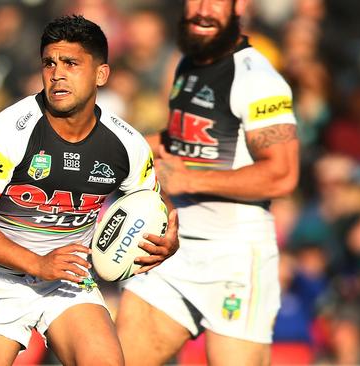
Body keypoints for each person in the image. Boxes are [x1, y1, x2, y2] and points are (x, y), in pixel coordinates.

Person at [0, 15, 179, 366]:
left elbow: (152, 205)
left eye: (71, 63)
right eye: (49, 63)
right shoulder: (6, 132)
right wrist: (38, 263)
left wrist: (166, 240)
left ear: (101, 74)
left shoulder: (127, 144)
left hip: (67, 281)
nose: (57, 74)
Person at [115, 0, 300, 365]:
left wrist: (188, 180)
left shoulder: (258, 79)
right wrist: (111, 150)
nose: (202, 9)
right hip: (173, 248)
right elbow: (179, 139)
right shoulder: (188, 62)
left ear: (239, 5)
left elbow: (282, 175)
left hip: (236, 258)